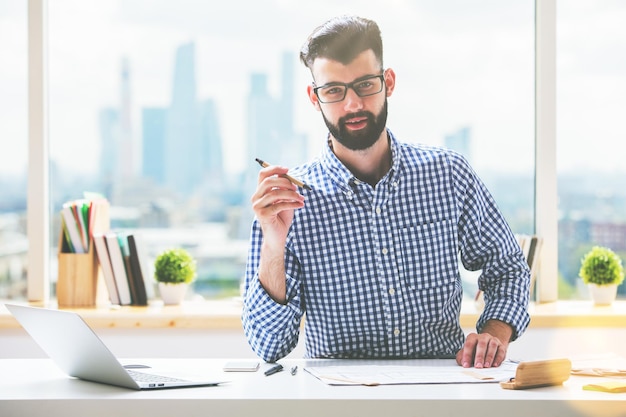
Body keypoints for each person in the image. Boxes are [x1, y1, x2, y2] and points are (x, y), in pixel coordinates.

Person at [242, 15, 530, 368]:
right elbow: (268, 346)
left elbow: (508, 269)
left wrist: (494, 335)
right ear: (314, 98)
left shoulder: (448, 173)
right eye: (333, 90)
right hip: (339, 399)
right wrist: (274, 244)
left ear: (388, 82)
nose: (352, 105)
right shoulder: (286, 205)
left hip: (442, 391)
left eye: (364, 85)